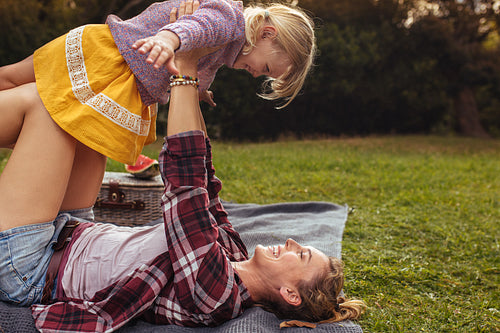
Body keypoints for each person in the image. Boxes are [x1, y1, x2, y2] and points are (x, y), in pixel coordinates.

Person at [0, 30, 364, 333]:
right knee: (92, 116)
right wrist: (194, 89)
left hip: (30, 267)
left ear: (290, 294)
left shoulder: (216, 294)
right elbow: (204, 178)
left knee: (47, 108)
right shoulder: (231, 252)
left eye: (300, 254)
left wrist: (185, 71)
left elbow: (185, 192)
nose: (290, 241)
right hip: (72, 231)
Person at [0, 0, 316, 234]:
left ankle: (61, 226)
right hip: (108, 58)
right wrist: (168, 39)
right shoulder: (228, 18)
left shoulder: (224, 51)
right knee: (13, 80)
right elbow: (197, 27)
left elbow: (191, 65)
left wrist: (200, 89)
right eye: (266, 69)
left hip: (121, 83)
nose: (256, 74)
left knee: (72, 136)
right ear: (267, 33)